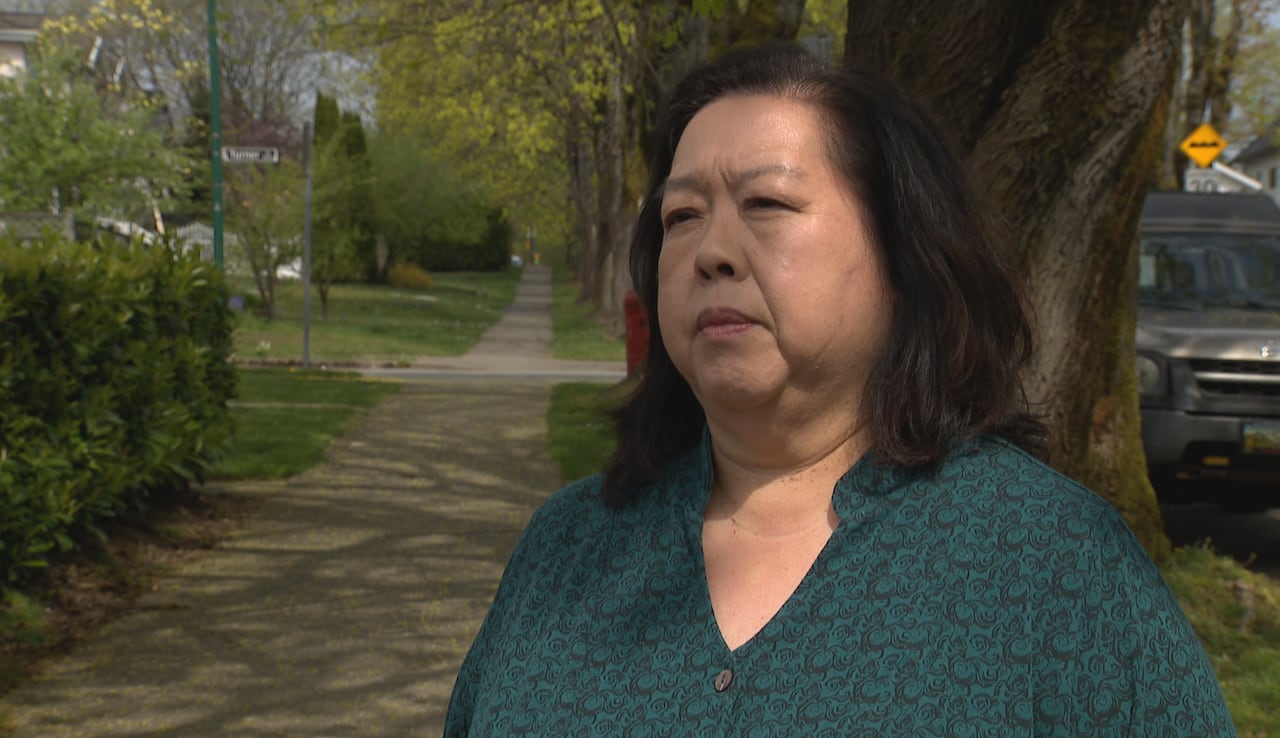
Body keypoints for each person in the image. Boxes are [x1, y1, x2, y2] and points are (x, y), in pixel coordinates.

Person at [444, 42, 1236, 736]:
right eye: (682, 216)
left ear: (903, 256)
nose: (712, 249)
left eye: (767, 204)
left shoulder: (1053, 564)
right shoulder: (567, 550)